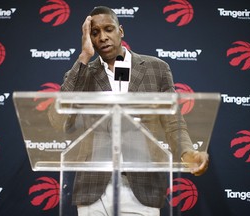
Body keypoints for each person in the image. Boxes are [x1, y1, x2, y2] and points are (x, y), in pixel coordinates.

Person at [48, 6, 209, 216]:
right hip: (93, 188)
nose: (103, 37)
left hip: (143, 186)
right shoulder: (80, 73)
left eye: (108, 29)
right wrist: (84, 56)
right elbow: (58, 121)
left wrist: (188, 154)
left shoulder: (156, 69)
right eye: (94, 33)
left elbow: (173, 123)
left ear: (121, 31)